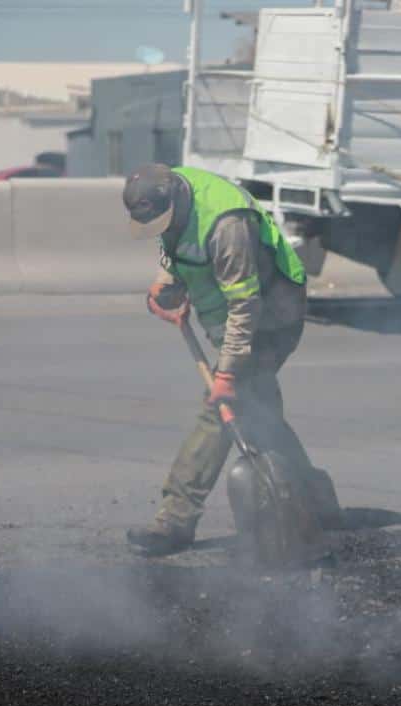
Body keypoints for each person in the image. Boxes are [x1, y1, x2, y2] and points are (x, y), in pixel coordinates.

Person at [122, 163, 322, 556]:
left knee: (221, 407)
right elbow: (174, 243)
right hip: (233, 319)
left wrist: (227, 375)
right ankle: (317, 501)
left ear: (177, 199)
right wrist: (167, 285)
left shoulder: (228, 224)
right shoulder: (171, 191)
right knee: (261, 413)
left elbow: (245, 306)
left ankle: (174, 520)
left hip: (270, 319)